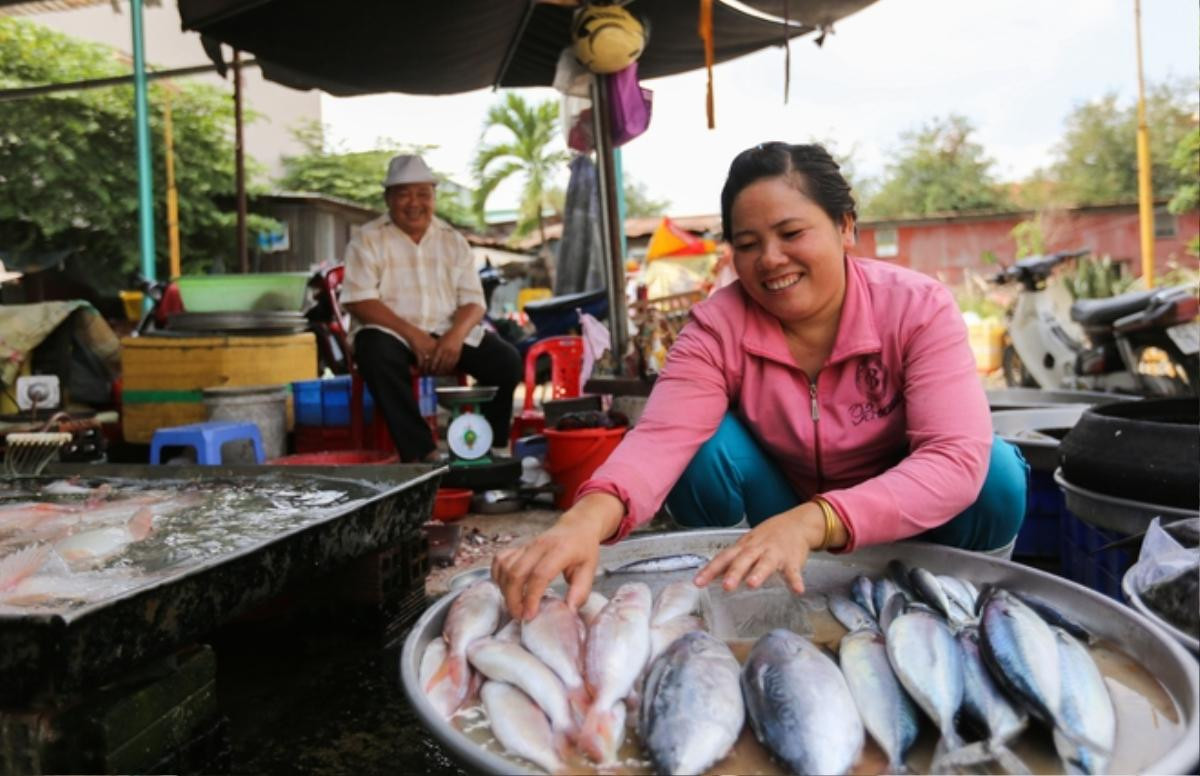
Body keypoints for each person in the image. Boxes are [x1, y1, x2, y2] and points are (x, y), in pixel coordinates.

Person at [493, 142, 1028, 620]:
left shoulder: (917, 307)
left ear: (845, 226)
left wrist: (819, 520)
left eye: (792, 233)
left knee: (995, 473)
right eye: (747, 243)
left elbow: (953, 460)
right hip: (780, 510)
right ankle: (739, 603)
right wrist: (585, 520)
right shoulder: (717, 325)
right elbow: (660, 439)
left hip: (901, 522)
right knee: (703, 452)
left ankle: (962, 614)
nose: (770, 259)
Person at [341, 154, 522, 463]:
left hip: (445, 333)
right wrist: (414, 336)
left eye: (423, 194)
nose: (414, 203)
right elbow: (360, 300)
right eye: (404, 194)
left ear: (434, 197)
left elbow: (473, 301)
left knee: (506, 361)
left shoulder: (452, 240)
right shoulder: (367, 239)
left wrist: (454, 336)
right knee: (374, 351)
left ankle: (487, 447)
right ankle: (422, 452)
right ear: (388, 199)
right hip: (392, 334)